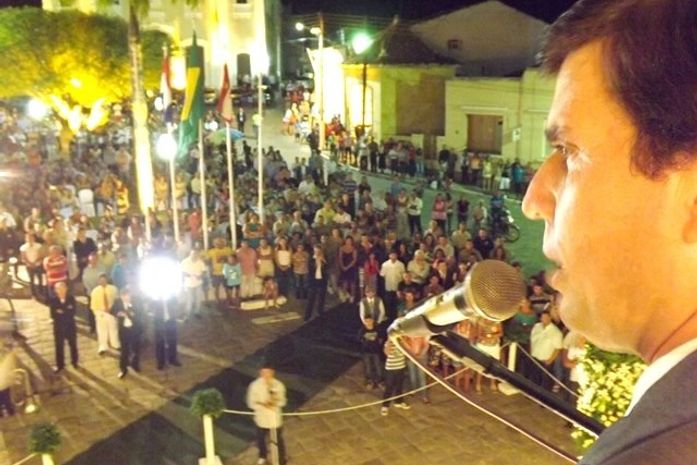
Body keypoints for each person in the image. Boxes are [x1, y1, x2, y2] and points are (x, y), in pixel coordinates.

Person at [246, 363, 288, 465]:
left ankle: (281, 459)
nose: (265, 375)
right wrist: (263, 405)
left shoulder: (278, 385)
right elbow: (250, 403)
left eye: (268, 372)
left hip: (274, 418)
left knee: (278, 440)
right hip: (261, 419)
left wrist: (274, 403)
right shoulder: (254, 385)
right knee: (260, 440)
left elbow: (283, 402)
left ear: (272, 373)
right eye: (263, 372)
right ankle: (262, 456)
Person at [48, 281, 78, 372]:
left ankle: (75, 362)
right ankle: (60, 365)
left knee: (73, 345)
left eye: (62, 288)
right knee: (59, 346)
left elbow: (73, 312)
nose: (61, 291)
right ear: (55, 290)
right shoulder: (53, 300)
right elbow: (53, 314)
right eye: (58, 289)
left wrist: (61, 311)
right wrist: (66, 310)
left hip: (70, 326)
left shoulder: (71, 298)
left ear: (66, 289)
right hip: (59, 327)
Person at [113, 286, 142, 378]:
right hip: (123, 330)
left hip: (134, 329)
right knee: (124, 350)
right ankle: (123, 369)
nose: (126, 298)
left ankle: (135, 364)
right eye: (123, 297)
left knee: (136, 349)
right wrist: (118, 313)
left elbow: (140, 314)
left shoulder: (137, 301)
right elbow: (112, 310)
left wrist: (129, 313)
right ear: (121, 296)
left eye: (128, 296)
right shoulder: (117, 301)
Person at [90, 273, 119, 355]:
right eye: (101, 280)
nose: (102, 282)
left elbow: (117, 300)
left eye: (104, 280)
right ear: (98, 281)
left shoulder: (113, 289)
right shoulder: (95, 291)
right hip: (101, 312)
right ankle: (103, 346)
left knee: (113, 329)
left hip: (111, 312)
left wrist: (113, 310)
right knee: (102, 330)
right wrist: (97, 313)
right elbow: (93, 304)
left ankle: (115, 344)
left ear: (107, 280)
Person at [380, 339, 410, 416]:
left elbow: (407, 351)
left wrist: (403, 341)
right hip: (391, 368)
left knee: (399, 386)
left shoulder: (402, 342)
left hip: (401, 367)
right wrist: (389, 341)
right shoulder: (388, 342)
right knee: (389, 387)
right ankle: (385, 406)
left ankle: (399, 401)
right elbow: (387, 352)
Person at [153, 298, 180, 370]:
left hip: (171, 319)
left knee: (173, 340)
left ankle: (172, 358)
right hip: (159, 320)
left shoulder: (170, 296)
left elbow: (175, 301)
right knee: (160, 341)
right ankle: (161, 362)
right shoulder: (156, 296)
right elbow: (151, 304)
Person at [180, 249, 207, 319]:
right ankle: (187, 313)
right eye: (193, 253)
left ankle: (197, 312)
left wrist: (201, 276)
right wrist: (186, 275)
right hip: (189, 283)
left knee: (198, 299)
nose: (194, 255)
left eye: (196, 254)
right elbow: (181, 272)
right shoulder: (185, 261)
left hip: (198, 283)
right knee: (189, 299)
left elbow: (204, 271)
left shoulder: (200, 262)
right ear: (190, 254)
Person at [304, 245, 327, 321]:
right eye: (315, 251)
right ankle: (307, 315)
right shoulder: (311, 259)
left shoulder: (324, 258)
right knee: (311, 298)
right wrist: (317, 262)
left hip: (322, 280)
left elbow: (327, 268)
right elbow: (310, 269)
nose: (317, 252)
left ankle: (320, 312)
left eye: (318, 251)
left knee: (321, 297)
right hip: (313, 281)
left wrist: (323, 261)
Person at [359, 317, 382, 390]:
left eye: (369, 321)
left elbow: (380, 338)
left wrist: (378, 344)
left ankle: (379, 381)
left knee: (378, 366)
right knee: (368, 367)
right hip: (366, 351)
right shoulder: (362, 330)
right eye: (366, 321)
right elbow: (360, 338)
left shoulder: (377, 329)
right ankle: (369, 381)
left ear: (372, 321)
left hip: (375, 351)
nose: (368, 323)